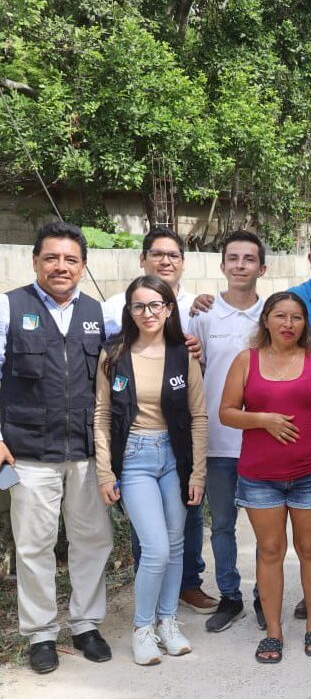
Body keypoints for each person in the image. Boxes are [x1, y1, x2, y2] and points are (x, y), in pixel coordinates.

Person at [194, 226, 311, 623]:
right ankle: (291, 594)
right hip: (269, 442)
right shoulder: (286, 300)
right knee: (280, 531)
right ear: (310, 258)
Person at [0, 222, 114, 673]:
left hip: (87, 451)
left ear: (83, 267)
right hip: (28, 451)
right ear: (35, 262)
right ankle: (41, 634)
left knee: (93, 540)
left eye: (70, 259)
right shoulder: (9, 307)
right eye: (51, 258)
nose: (60, 266)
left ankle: (86, 625)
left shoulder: (99, 314)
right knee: (34, 546)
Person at [219, 291, 311, 663]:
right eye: (280, 316)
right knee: (270, 551)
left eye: (296, 317)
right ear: (266, 320)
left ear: (305, 323)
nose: (288, 324)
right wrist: (263, 420)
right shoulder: (246, 360)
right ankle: (273, 632)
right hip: (260, 476)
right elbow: (227, 412)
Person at [94, 276, 208, 665]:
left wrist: (197, 474)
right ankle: (142, 628)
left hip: (175, 458)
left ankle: (167, 622)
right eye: (139, 305)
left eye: (156, 304)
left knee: (175, 546)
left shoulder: (183, 354)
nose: (148, 313)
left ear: (169, 309)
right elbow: (101, 415)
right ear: (129, 310)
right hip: (135, 459)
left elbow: (199, 416)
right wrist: (105, 472)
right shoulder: (113, 354)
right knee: (156, 548)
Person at [106, 227, 215, 617]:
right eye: (157, 253)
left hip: (176, 439)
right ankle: (147, 612)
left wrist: (195, 349)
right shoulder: (115, 311)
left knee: (182, 528)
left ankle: (184, 590)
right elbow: (107, 383)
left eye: (173, 255)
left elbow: (203, 378)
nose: (166, 261)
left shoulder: (198, 308)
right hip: (135, 443)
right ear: (143, 258)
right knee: (152, 540)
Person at [186, 230, 267, 632]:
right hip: (217, 442)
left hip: (262, 441)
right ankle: (230, 596)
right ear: (222, 266)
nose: (240, 265)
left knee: (267, 528)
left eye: (248, 259)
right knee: (221, 526)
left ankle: (265, 596)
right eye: (233, 258)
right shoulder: (202, 314)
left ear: (261, 268)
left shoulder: (272, 314)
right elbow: (192, 371)